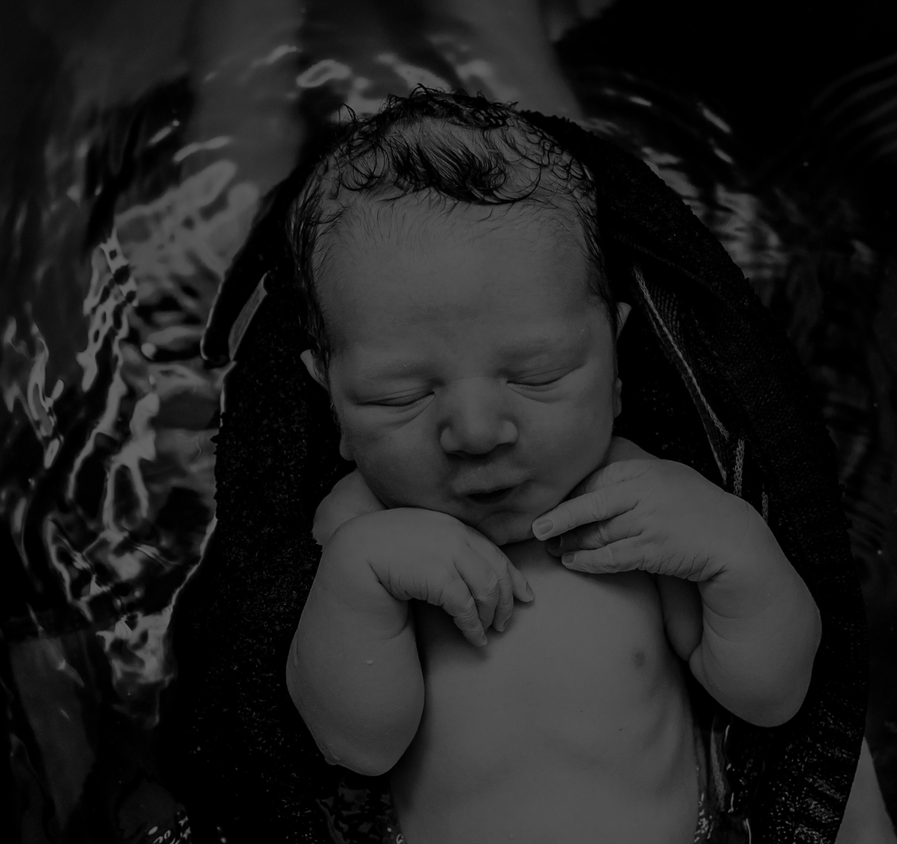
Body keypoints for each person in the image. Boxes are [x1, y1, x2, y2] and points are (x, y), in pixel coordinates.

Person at [279, 87, 823, 844]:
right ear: (331, 401)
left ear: (616, 363)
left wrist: (741, 555)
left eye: (536, 375)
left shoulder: (642, 506)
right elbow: (354, 747)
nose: (474, 431)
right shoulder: (362, 530)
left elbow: (770, 697)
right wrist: (356, 583)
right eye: (399, 396)